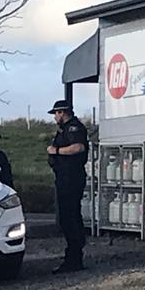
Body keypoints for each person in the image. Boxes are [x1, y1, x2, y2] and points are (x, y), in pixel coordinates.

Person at [46, 100, 89, 274]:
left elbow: (78, 147)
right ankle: (72, 256)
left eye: (56, 113)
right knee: (66, 218)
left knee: (70, 218)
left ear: (62, 112)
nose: (55, 117)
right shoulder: (64, 130)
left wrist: (55, 151)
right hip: (64, 178)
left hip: (71, 178)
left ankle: (74, 257)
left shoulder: (74, 128)